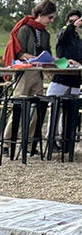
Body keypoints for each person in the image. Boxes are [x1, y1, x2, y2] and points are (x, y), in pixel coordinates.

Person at [2, 0, 57, 156]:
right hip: (24, 73)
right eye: (50, 17)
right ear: (41, 14)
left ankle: (31, 143)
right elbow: (20, 53)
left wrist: (57, 62)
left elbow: (48, 54)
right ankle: (7, 142)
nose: (51, 21)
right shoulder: (25, 29)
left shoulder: (45, 34)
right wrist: (35, 58)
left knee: (39, 108)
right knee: (18, 107)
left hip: (38, 73)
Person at [47, 9, 82, 153]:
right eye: (71, 21)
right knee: (55, 110)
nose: (74, 23)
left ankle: (65, 140)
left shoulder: (78, 40)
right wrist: (72, 25)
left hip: (74, 81)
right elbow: (60, 57)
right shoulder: (63, 34)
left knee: (69, 111)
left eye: (76, 20)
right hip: (60, 79)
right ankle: (51, 139)